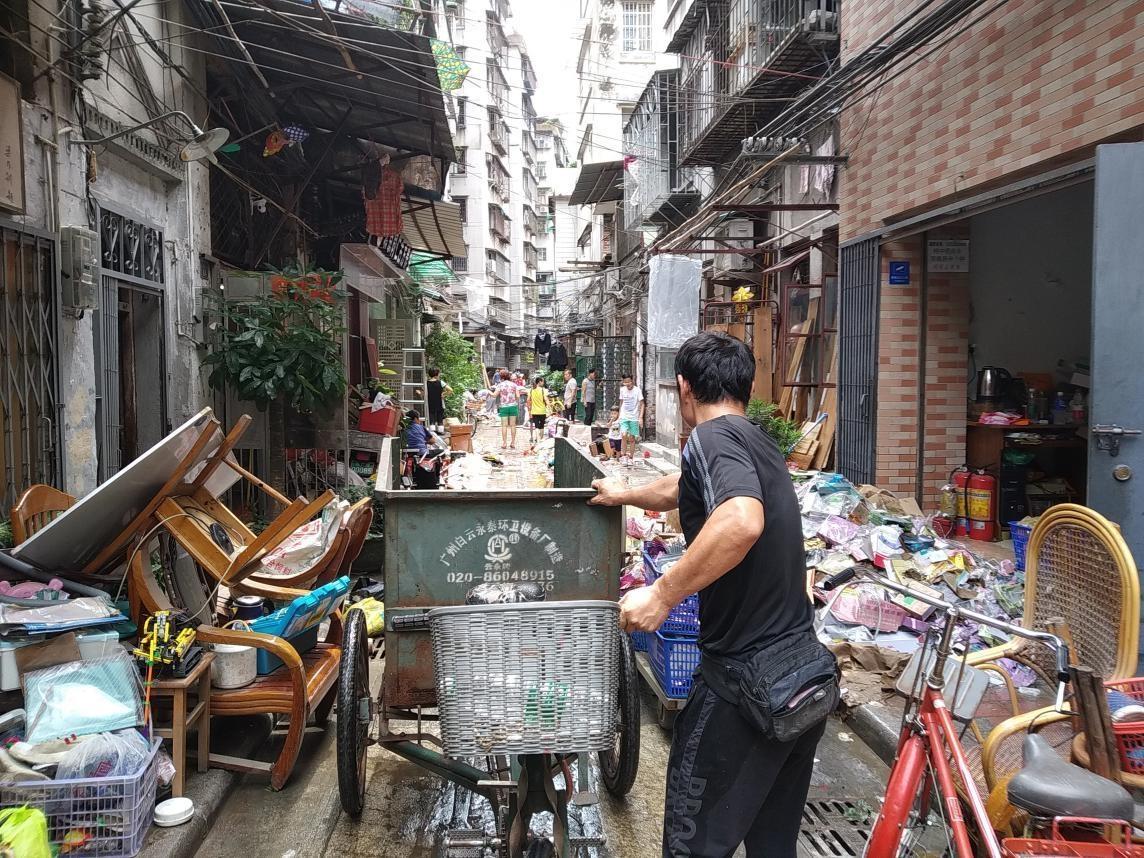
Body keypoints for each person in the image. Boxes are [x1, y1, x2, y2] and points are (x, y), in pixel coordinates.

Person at [589, 331, 829, 858]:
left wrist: (661, 594)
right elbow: (682, 487)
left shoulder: (710, 439)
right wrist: (623, 493)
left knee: (692, 845)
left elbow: (741, 521)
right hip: (802, 676)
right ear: (745, 386)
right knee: (772, 847)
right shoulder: (754, 438)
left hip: (743, 689)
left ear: (684, 388)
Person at [616, 373, 644, 460]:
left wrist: (640, 417)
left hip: (634, 417)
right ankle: (624, 456)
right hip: (624, 416)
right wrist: (619, 416)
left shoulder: (637, 390)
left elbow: (642, 404)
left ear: (632, 381)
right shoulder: (622, 390)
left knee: (632, 438)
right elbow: (621, 403)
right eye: (625, 382)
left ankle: (631, 457)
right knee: (624, 435)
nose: (627, 384)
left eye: (628, 382)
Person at [493, 370, 523, 449]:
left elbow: (494, 395)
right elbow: (518, 396)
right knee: (513, 425)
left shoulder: (500, 385)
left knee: (504, 426)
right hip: (513, 406)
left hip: (504, 407)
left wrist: (488, 392)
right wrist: (515, 401)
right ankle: (513, 443)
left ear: (501, 377)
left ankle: (504, 443)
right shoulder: (514, 385)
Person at [425, 367, 452, 433]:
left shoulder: (426, 383)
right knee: (440, 419)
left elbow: (424, 393)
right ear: (437, 374)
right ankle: (440, 432)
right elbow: (450, 390)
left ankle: (432, 434)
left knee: (431, 419)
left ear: (429, 374)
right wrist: (444, 394)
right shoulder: (440, 382)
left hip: (430, 403)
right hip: (440, 404)